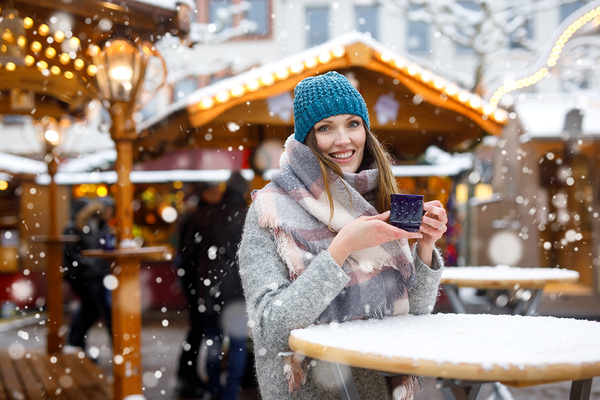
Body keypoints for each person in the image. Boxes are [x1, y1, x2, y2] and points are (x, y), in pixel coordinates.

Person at [237, 71, 448, 400]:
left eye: (352, 123)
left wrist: (425, 247)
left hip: (378, 390)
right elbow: (271, 327)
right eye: (325, 128)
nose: (343, 140)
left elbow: (412, 314)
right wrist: (342, 248)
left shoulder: (375, 200)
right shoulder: (271, 210)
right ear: (308, 138)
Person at [176, 177, 249, 400]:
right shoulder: (247, 216)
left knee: (214, 341)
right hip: (237, 292)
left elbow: (186, 254)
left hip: (208, 291)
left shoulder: (203, 215)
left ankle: (214, 389)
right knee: (237, 344)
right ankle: (231, 392)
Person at [63, 197, 115, 356]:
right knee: (94, 309)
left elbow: (103, 246)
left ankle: (76, 344)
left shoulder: (97, 226)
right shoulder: (75, 227)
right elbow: (72, 253)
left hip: (94, 274)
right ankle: (75, 342)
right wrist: (90, 264)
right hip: (84, 275)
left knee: (92, 309)